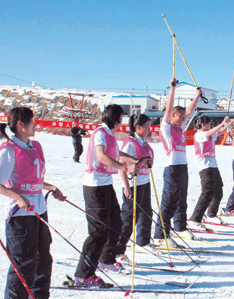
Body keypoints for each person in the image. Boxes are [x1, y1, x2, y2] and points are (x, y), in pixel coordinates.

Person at [0, 107, 66, 299]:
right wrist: (17, 197)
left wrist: (51, 187)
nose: (35, 125)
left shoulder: (35, 146)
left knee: (43, 261)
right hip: (20, 216)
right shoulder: (9, 150)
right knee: (23, 264)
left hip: (39, 211)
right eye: (32, 122)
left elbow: (34, 180)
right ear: (21, 125)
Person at [74, 104, 141, 287]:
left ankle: (106, 259)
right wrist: (125, 167)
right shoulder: (100, 133)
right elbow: (102, 156)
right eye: (122, 116)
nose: (123, 120)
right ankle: (83, 274)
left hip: (105, 184)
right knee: (98, 232)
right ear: (116, 117)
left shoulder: (110, 134)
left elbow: (115, 153)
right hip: (95, 185)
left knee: (115, 224)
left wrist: (134, 160)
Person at [153, 77, 202, 246]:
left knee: (182, 198)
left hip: (183, 166)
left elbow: (190, 110)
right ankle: (160, 235)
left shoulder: (181, 127)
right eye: (179, 117)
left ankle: (180, 227)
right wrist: (172, 89)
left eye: (183, 117)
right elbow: (167, 110)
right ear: (173, 116)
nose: (182, 119)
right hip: (172, 167)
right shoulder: (166, 127)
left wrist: (197, 95)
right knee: (169, 201)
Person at [115, 114, 156, 261]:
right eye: (146, 127)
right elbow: (121, 164)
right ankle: (117, 250)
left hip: (144, 182)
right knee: (128, 219)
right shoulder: (130, 143)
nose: (149, 130)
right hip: (133, 184)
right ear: (137, 127)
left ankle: (143, 241)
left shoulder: (144, 142)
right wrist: (126, 187)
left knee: (146, 214)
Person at [189, 115, 234, 228]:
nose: (210, 126)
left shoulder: (210, 133)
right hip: (205, 167)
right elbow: (210, 133)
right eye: (208, 124)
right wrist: (222, 122)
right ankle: (194, 219)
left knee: (218, 191)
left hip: (213, 166)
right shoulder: (199, 134)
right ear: (202, 125)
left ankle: (211, 214)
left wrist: (231, 121)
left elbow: (220, 131)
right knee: (207, 193)